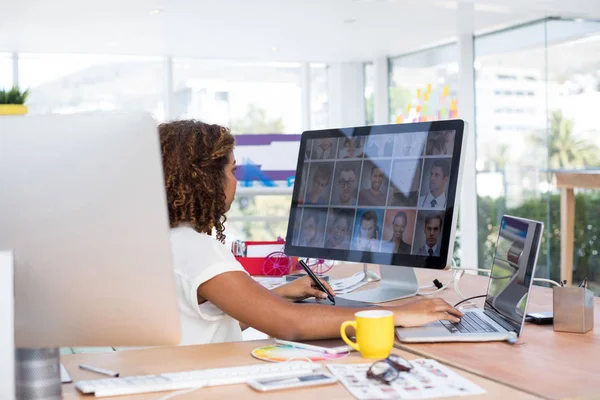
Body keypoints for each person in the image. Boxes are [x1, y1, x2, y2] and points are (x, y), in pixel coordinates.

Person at [159, 120, 462, 345]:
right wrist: (397, 315)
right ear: (206, 180)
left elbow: (210, 324)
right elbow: (291, 324)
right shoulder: (197, 251)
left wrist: (277, 295)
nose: (236, 182)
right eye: (232, 171)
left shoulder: (166, 242)